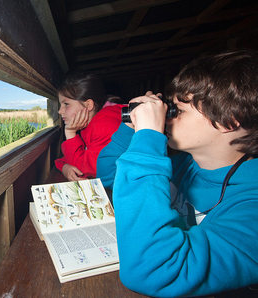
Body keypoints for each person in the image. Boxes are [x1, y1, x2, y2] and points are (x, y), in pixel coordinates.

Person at [97, 49, 258, 297]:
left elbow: (156, 272)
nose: (167, 117)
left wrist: (149, 138)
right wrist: (133, 129)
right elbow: (107, 176)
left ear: (229, 120)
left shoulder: (251, 210)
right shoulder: (185, 162)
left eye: (179, 111)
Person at [54, 72, 125, 181]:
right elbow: (77, 156)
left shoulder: (105, 124)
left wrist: (70, 133)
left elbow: (89, 169)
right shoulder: (89, 125)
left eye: (66, 104)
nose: (60, 111)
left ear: (88, 105)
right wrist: (65, 167)